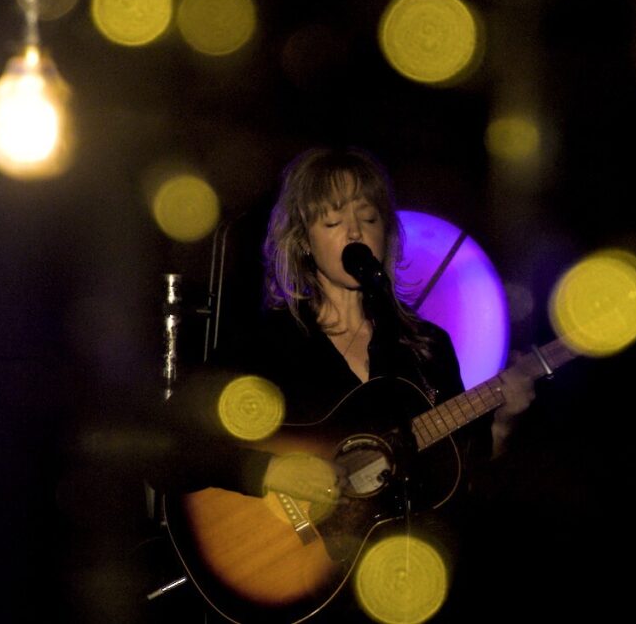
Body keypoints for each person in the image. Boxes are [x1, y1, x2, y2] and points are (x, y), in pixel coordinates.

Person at [156, 146, 536, 622]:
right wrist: (269, 471)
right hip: (308, 585)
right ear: (303, 241)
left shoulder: (425, 347)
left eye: (368, 218)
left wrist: (502, 419)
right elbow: (170, 450)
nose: (355, 232)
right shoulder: (264, 345)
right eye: (333, 221)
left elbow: (463, 471)